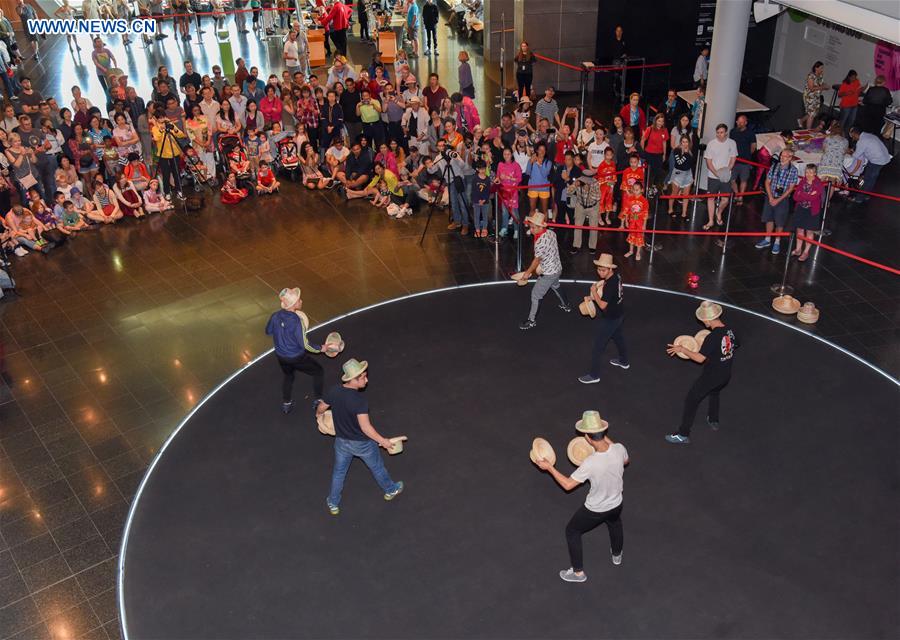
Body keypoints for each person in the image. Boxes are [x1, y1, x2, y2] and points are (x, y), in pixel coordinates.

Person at [533, 410, 628, 583]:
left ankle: (578, 573)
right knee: (614, 523)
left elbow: (568, 485)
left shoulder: (590, 463)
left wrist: (550, 468)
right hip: (617, 503)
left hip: (596, 509)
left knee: (572, 531)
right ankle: (617, 554)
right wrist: (603, 438)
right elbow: (625, 461)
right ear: (603, 431)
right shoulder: (619, 448)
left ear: (588, 438)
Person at [316, 358, 405, 516]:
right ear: (354, 379)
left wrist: (319, 416)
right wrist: (383, 441)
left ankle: (333, 502)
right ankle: (391, 490)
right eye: (363, 377)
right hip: (362, 444)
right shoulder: (359, 401)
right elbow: (366, 428)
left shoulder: (334, 390)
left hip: (341, 442)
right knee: (377, 468)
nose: (366, 379)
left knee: (339, 472)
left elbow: (322, 406)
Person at [666, 301, 738, 445]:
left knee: (691, 400)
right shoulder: (730, 330)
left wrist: (683, 349)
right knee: (715, 393)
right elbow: (735, 344)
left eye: (702, 320)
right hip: (725, 374)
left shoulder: (713, 337)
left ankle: (683, 434)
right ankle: (713, 419)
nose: (702, 322)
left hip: (711, 376)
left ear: (707, 319)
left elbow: (699, 359)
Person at [265, 287, 325, 414]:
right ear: (294, 304)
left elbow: (268, 331)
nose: (301, 301)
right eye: (299, 299)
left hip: (281, 356)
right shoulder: (298, 321)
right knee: (318, 371)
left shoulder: (275, 316)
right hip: (297, 357)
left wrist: (282, 332)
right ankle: (318, 400)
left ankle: (286, 403)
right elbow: (305, 345)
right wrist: (321, 348)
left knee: (288, 376)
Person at [518, 211, 570, 331]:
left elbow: (536, 260)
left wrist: (527, 273)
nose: (531, 230)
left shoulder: (540, 242)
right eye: (530, 227)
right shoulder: (551, 233)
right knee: (556, 285)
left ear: (541, 227)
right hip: (557, 267)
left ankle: (531, 321)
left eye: (533, 227)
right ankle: (566, 305)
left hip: (548, 272)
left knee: (536, 295)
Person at [755, 148, 798, 254]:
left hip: (782, 199)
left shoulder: (793, 170)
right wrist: (770, 197)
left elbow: (790, 189)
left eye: (785, 156)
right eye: (781, 156)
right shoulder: (774, 166)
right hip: (770, 197)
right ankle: (767, 239)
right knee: (768, 218)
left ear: (790, 158)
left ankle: (777, 242)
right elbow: (767, 182)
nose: (782, 158)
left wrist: (778, 200)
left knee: (779, 222)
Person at [703, 123, 736, 230]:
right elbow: (708, 162)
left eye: (721, 132)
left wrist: (726, 172)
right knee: (710, 198)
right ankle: (711, 220)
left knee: (725, 200)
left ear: (726, 132)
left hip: (726, 176)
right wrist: (718, 174)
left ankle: (719, 212)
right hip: (713, 176)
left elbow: (733, 159)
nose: (719, 134)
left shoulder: (732, 143)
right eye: (717, 132)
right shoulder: (711, 144)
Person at [848, 127, 890, 203]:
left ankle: (859, 198)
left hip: (877, 161)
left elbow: (856, 156)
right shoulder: (868, 135)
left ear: (855, 134)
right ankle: (866, 195)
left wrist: (849, 152)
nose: (853, 139)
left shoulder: (862, 141)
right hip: (884, 157)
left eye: (853, 137)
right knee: (871, 178)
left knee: (868, 179)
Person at [791, 165, 824, 262]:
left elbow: (813, 198)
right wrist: (807, 195)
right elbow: (795, 197)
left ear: (815, 173)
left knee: (809, 231)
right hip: (801, 209)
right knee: (799, 230)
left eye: (810, 172)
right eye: (806, 172)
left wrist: (801, 194)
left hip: (812, 211)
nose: (808, 174)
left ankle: (806, 252)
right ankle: (798, 249)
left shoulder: (818, 184)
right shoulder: (803, 181)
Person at [729, 115, 756, 203]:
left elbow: (753, 146)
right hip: (734, 160)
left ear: (746, 123)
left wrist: (748, 155)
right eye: (738, 122)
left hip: (745, 161)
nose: (739, 124)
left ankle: (740, 197)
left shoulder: (750, 133)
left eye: (742, 122)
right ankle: (737, 194)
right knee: (732, 179)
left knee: (743, 180)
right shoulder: (733, 132)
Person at [622, 182, 648, 261]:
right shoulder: (630, 198)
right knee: (631, 235)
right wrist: (626, 221)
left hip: (640, 221)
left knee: (639, 236)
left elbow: (645, 214)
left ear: (641, 190)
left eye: (637, 190)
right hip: (632, 220)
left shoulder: (644, 201)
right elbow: (627, 210)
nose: (635, 191)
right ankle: (631, 251)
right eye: (633, 189)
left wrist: (644, 225)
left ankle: (638, 253)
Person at [800, 61, 827, 130]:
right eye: (821, 68)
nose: (822, 69)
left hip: (816, 97)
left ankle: (801, 120)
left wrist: (825, 86)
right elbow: (811, 88)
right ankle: (808, 130)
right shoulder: (811, 76)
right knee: (811, 114)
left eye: (822, 68)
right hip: (809, 97)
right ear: (816, 68)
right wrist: (822, 87)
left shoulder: (820, 76)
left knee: (813, 113)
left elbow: (821, 84)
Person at [837, 70, 864, 134]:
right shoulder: (845, 83)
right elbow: (839, 94)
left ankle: (846, 133)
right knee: (843, 120)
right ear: (849, 77)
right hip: (846, 105)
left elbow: (858, 90)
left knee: (851, 121)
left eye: (855, 77)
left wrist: (862, 89)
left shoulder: (857, 81)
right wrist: (847, 93)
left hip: (854, 104)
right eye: (853, 77)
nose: (854, 79)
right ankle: (838, 133)